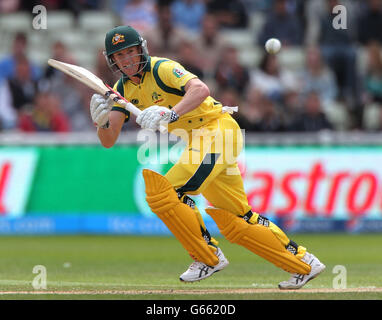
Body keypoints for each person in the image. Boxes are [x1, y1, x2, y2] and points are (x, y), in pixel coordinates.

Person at [89, 25, 325, 289]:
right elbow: (109, 141)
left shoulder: (162, 68)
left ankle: (207, 257)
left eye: (130, 52)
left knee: (164, 192)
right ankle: (304, 263)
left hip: (217, 130)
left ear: (141, 49)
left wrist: (170, 114)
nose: (127, 60)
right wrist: (101, 122)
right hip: (203, 141)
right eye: (120, 56)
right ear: (113, 60)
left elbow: (201, 89)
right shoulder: (122, 89)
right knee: (238, 221)